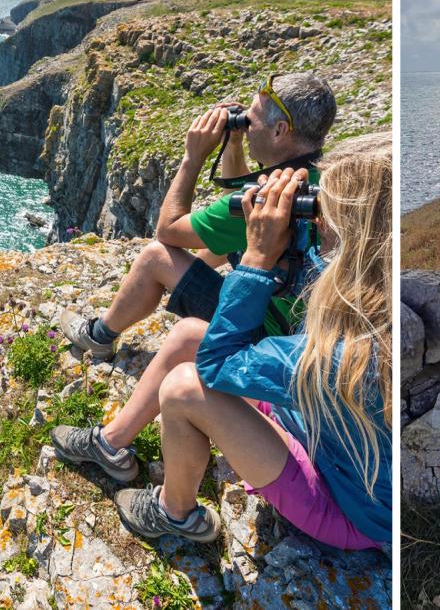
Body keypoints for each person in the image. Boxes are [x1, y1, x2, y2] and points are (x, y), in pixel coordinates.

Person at [54, 155, 393, 550]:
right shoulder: (373, 290)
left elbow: (217, 365)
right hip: (316, 431)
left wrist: (258, 255)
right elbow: (304, 278)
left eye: (323, 216)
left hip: (346, 505)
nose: (316, 222)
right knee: (190, 336)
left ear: (351, 237)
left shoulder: (346, 354)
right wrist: (285, 236)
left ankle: (175, 513)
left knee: (185, 389)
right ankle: (110, 444)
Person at [58, 72, 337, 360]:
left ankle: (97, 336)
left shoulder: (270, 199)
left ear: (279, 130)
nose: (245, 128)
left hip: (265, 337)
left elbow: (168, 230)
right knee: (221, 246)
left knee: (156, 257)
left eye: (250, 120)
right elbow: (237, 213)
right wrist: (233, 144)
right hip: (307, 334)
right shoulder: (323, 181)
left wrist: (192, 157)